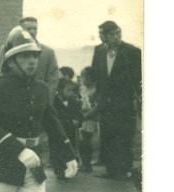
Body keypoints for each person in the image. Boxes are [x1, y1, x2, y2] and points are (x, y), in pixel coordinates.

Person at [0, 26, 78, 191]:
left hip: (33, 163)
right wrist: (19, 150)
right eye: (25, 56)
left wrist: (68, 154)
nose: (32, 61)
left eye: (35, 55)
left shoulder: (41, 88)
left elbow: (52, 123)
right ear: (11, 61)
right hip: (0, 164)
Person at [90, 20, 141, 180]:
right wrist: (96, 96)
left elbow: (137, 78)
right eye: (109, 34)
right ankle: (111, 169)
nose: (116, 36)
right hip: (105, 101)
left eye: (117, 33)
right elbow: (95, 74)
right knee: (108, 134)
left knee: (125, 134)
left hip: (124, 101)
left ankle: (125, 169)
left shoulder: (132, 51)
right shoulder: (98, 50)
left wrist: (137, 100)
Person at [0, 17, 60, 95]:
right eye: (29, 29)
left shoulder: (48, 52)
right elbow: (1, 71)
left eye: (35, 29)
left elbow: (53, 80)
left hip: (38, 97)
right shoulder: (8, 49)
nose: (32, 31)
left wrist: (46, 100)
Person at [52, 79, 83, 179]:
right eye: (68, 90)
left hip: (70, 129)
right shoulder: (54, 101)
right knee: (56, 149)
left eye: (72, 90)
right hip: (58, 131)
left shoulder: (73, 100)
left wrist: (78, 120)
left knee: (71, 147)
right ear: (59, 90)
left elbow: (79, 113)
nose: (70, 93)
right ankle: (59, 170)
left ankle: (71, 168)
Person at [77, 67, 98, 173]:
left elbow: (96, 105)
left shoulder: (96, 89)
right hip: (82, 116)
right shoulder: (82, 88)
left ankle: (87, 164)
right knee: (82, 141)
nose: (82, 79)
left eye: (84, 76)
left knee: (86, 141)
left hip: (90, 118)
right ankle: (84, 163)